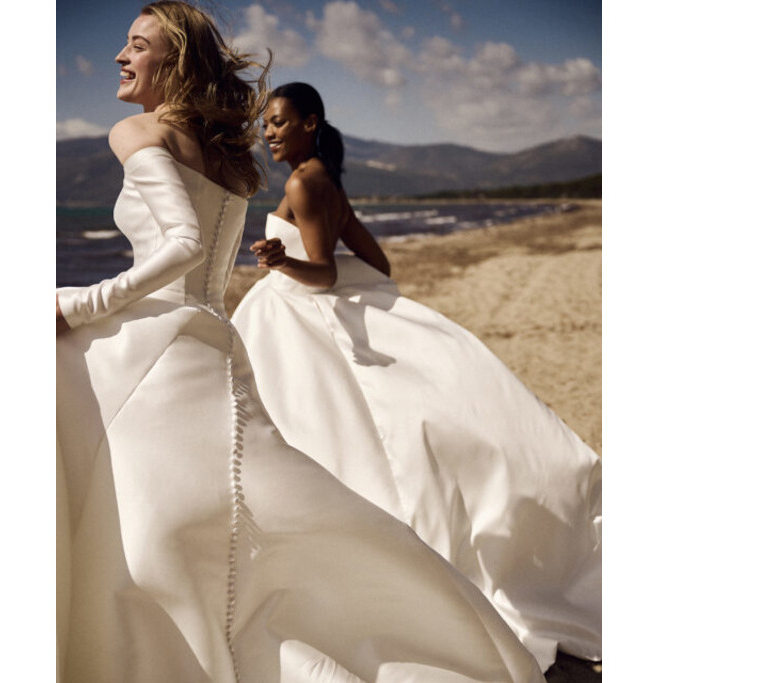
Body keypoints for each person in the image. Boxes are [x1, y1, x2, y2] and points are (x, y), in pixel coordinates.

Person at [56, 4, 545, 681]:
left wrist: (76, 302)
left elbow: (183, 245)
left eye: (137, 45)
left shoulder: (135, 131)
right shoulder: (230, 163)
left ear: (177, 65)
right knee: (235, 514)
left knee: (144, 525)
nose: (119, 55)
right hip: (211, 342)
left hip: (151, 349)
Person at [231, 81, 602, 672]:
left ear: (310, 122)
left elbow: (324, 275)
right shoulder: (329, 179)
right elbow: (376, 264)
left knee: (309, 433)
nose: (268, 133)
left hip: (298, 322)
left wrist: (282, 263)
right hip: (304, 317)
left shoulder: (305, 182)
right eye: (266, 124)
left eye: (278, 122)